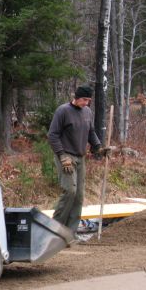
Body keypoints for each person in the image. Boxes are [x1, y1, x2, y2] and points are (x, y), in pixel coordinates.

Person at [47, 84, 109, 235]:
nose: (86, 103)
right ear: (77, 97)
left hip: (80, 158)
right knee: (70, 191)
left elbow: (91, 132)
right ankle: (54, 230)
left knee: (79, 196)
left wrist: (98, 147)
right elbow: (52, 135)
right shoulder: (63, 111)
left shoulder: (87, 112)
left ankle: (70, 233)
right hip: (66, 157)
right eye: (84, 100)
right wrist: (62, 155)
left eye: (89, 100)